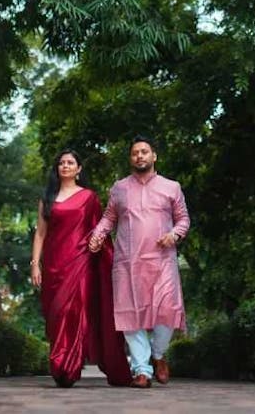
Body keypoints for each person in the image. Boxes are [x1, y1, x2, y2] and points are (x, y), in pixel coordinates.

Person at [88, 135, 190, 388]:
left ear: (154, 156)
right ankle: (142, 370)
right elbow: (108, 218)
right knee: (129, 315)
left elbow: (183, 220)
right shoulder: (119, 188)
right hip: (128, 262)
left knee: (166, 311)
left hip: (162, 261)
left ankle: (158, 355)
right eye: (135, 153)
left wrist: (174, 234)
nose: (140, 156)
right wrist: (97, 236)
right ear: (130, 158)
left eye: (145, 152)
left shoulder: (171, 187)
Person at [30, 149, 130, 387]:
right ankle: (61, 363)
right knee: (56, 315)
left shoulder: (89, 198)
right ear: (57, 168)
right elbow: (40, 234)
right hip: (54, 265)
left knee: (75, 312)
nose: (65, 166)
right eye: (61, 162)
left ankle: (68, 367)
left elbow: (100, 230)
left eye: (70, 162)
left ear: (78, 169)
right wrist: (36, 264)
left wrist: (99, 247)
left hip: (81, 262)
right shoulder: (47, 198)